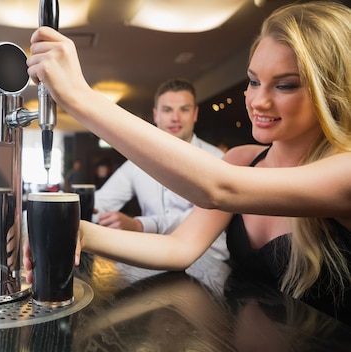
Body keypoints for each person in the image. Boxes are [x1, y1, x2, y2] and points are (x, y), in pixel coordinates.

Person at [24, 1, 351, 321]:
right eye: (253, 81)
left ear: (333, 90)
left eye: (285, 85)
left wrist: (80, 97)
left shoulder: (344, 169)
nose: (258, 101)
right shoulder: (241, 160)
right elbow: (179, 248)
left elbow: (218, 188)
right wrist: (78, 231)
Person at [93, 78, 228, 260]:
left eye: (184, 109)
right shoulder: (138, 162)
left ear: (195, 114)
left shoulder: (219, 160)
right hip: (154, 259)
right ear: (156, 115)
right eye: (167, 110)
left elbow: (197, 218)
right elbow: (102, 201)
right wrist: (88, 212)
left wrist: (139, 225)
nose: (175, 118)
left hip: (209, 263)